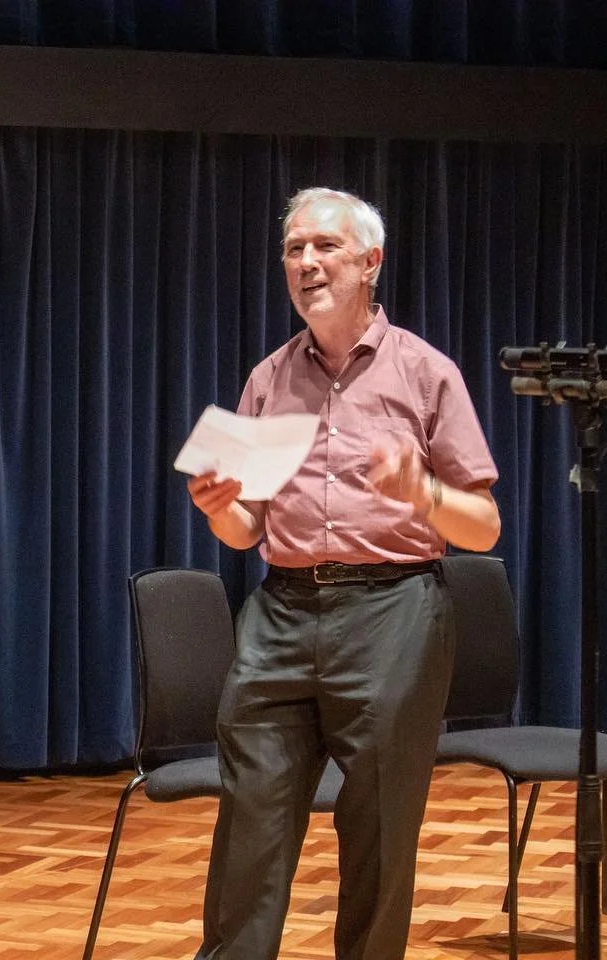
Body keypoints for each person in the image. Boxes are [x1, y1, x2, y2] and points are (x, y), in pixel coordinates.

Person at [186, 187, 501, 960]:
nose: (306, 262)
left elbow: (484, 526)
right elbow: (247, 529)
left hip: (394, 612)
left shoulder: (425, 372)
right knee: (249, 825)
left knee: (379, 828)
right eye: (293, 249)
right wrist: (219, 509)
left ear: (370, 262)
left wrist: (421, 492)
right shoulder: (268, 378)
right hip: (282, 611)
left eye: (325, 246)